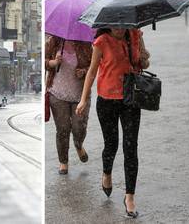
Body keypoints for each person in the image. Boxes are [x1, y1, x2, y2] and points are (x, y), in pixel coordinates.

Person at [76, 28, 150, 218]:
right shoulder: (101, 41)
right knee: (111, 145)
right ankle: (107, 173)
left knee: (131, 146)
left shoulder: (135, 35)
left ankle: (130, 197)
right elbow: (92, 71)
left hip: (130, 99)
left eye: (123, 23)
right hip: (107, 100)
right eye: (115, 24)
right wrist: (83, 99)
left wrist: (142, 57)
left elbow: (145, 63)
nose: (119, 28)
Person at [45, 34, 92, 174]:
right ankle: (63, 161)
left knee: (79, 127)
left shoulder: (85, 43)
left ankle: (78, 144)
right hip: (57, 94)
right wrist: (52, 63)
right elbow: (43, 61)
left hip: (80, 95)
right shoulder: (53, 41)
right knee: (62, 129)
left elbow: (94, 65)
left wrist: (83, 71)